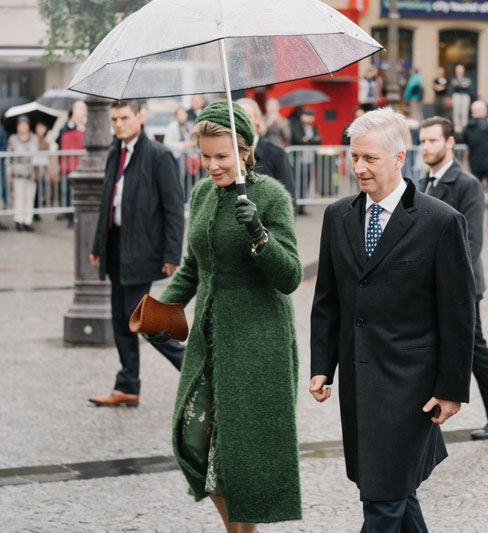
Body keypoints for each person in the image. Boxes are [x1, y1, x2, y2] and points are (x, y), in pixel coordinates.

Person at [309, 107, 475, 533]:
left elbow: (458, 314)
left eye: (370, 158)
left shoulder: (440, 221)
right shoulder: (338, 216)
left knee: (382, 503)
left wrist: (451, 389)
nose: (359, 168)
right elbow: (328, 299)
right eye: (355, 157)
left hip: (410, 387)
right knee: (395, 493)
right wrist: (322, 366)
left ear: (400, 158)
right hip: (359, 385)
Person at [155, 100, 302, 530]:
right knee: (197, 442)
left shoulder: (270, 195)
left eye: (222, 157)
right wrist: (159, 313)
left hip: (259, 342)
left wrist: (259, 234)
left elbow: (290, 276)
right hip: (210, 340)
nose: (213, 166)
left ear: (245, 151)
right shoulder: (201, 194)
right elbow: (192, 267)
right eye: (205, 156)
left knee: (243, 455)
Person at [88, 100, 185, 407]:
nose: (118, 124)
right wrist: (97, 246)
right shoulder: (115, 153)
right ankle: (128, 385)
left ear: (141, 117)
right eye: (114, 118)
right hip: (116, 246)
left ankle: (194, 369)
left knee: (143, 319)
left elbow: (173, 207)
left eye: (124, 118)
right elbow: (107, 202)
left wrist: (172, 252)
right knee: (120, 319)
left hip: (143, 249)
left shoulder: (158, 155)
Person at [418, 116, 488, 440]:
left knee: (473, 348)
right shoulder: (423, 181)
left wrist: (446, 281)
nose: (426, 147)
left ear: (450, 142)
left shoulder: (466, 184)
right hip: (428, 284)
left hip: (462, 284)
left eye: (433, 141)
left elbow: (472, 242)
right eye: (423, 141)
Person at [237, 97, 295, 209]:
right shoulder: (227, 153)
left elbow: (289, 196)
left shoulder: (277, 153)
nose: (241, 121)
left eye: (247, 117)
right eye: (237, 117)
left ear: (257, 119)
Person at [464, 100, 488, 229]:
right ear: (483, 111)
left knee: (476, 194)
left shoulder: (467, 128)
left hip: (476, 164)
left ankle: (475, 222)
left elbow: (467, 143)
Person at [56, 100, 88, 227]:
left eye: (82, 109)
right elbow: (60, 139)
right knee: (69, 193)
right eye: (78, 109)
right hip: (69, 166)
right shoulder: (67, 126)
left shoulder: (89, 125)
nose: (80, 112)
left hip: (84, 167)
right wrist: (73, 122)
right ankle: (71, 218)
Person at [7, 116, 38, 232]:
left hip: (31, 173)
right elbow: (8, 158)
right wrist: (9, 173)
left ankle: (27, 221)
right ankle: (19, 220)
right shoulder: (13, 139)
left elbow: (39, 155)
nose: (23, 127)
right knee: (19, 197)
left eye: (25, 125)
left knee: (30, 197)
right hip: (18, 173)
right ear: (17, 127)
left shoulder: (34, 138)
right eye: (21, 125)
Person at [289, 107, 321, 215]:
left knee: (306, 184)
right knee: (297, 183)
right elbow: (298, 140)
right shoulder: (297, 126)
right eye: (307, 115)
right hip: (299, 160)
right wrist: (312, 140)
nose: (309, 118)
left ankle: (302, 207)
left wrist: (308, 140)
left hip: (310, 160)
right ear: (302, 116)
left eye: (311, 115)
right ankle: (295, 207)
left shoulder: (314, 127)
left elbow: (319, 140)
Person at [449, 64, 475, 135]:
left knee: (464, 111)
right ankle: (457, 126)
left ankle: (464, 125)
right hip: (456, 95)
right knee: (456, 111)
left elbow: (469, 86)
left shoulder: (467, 78)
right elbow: (453, 86)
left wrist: (460, 85)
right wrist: (461, 85)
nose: (459, 71)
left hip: (465, 96)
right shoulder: (454, 78)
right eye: (458, 70)